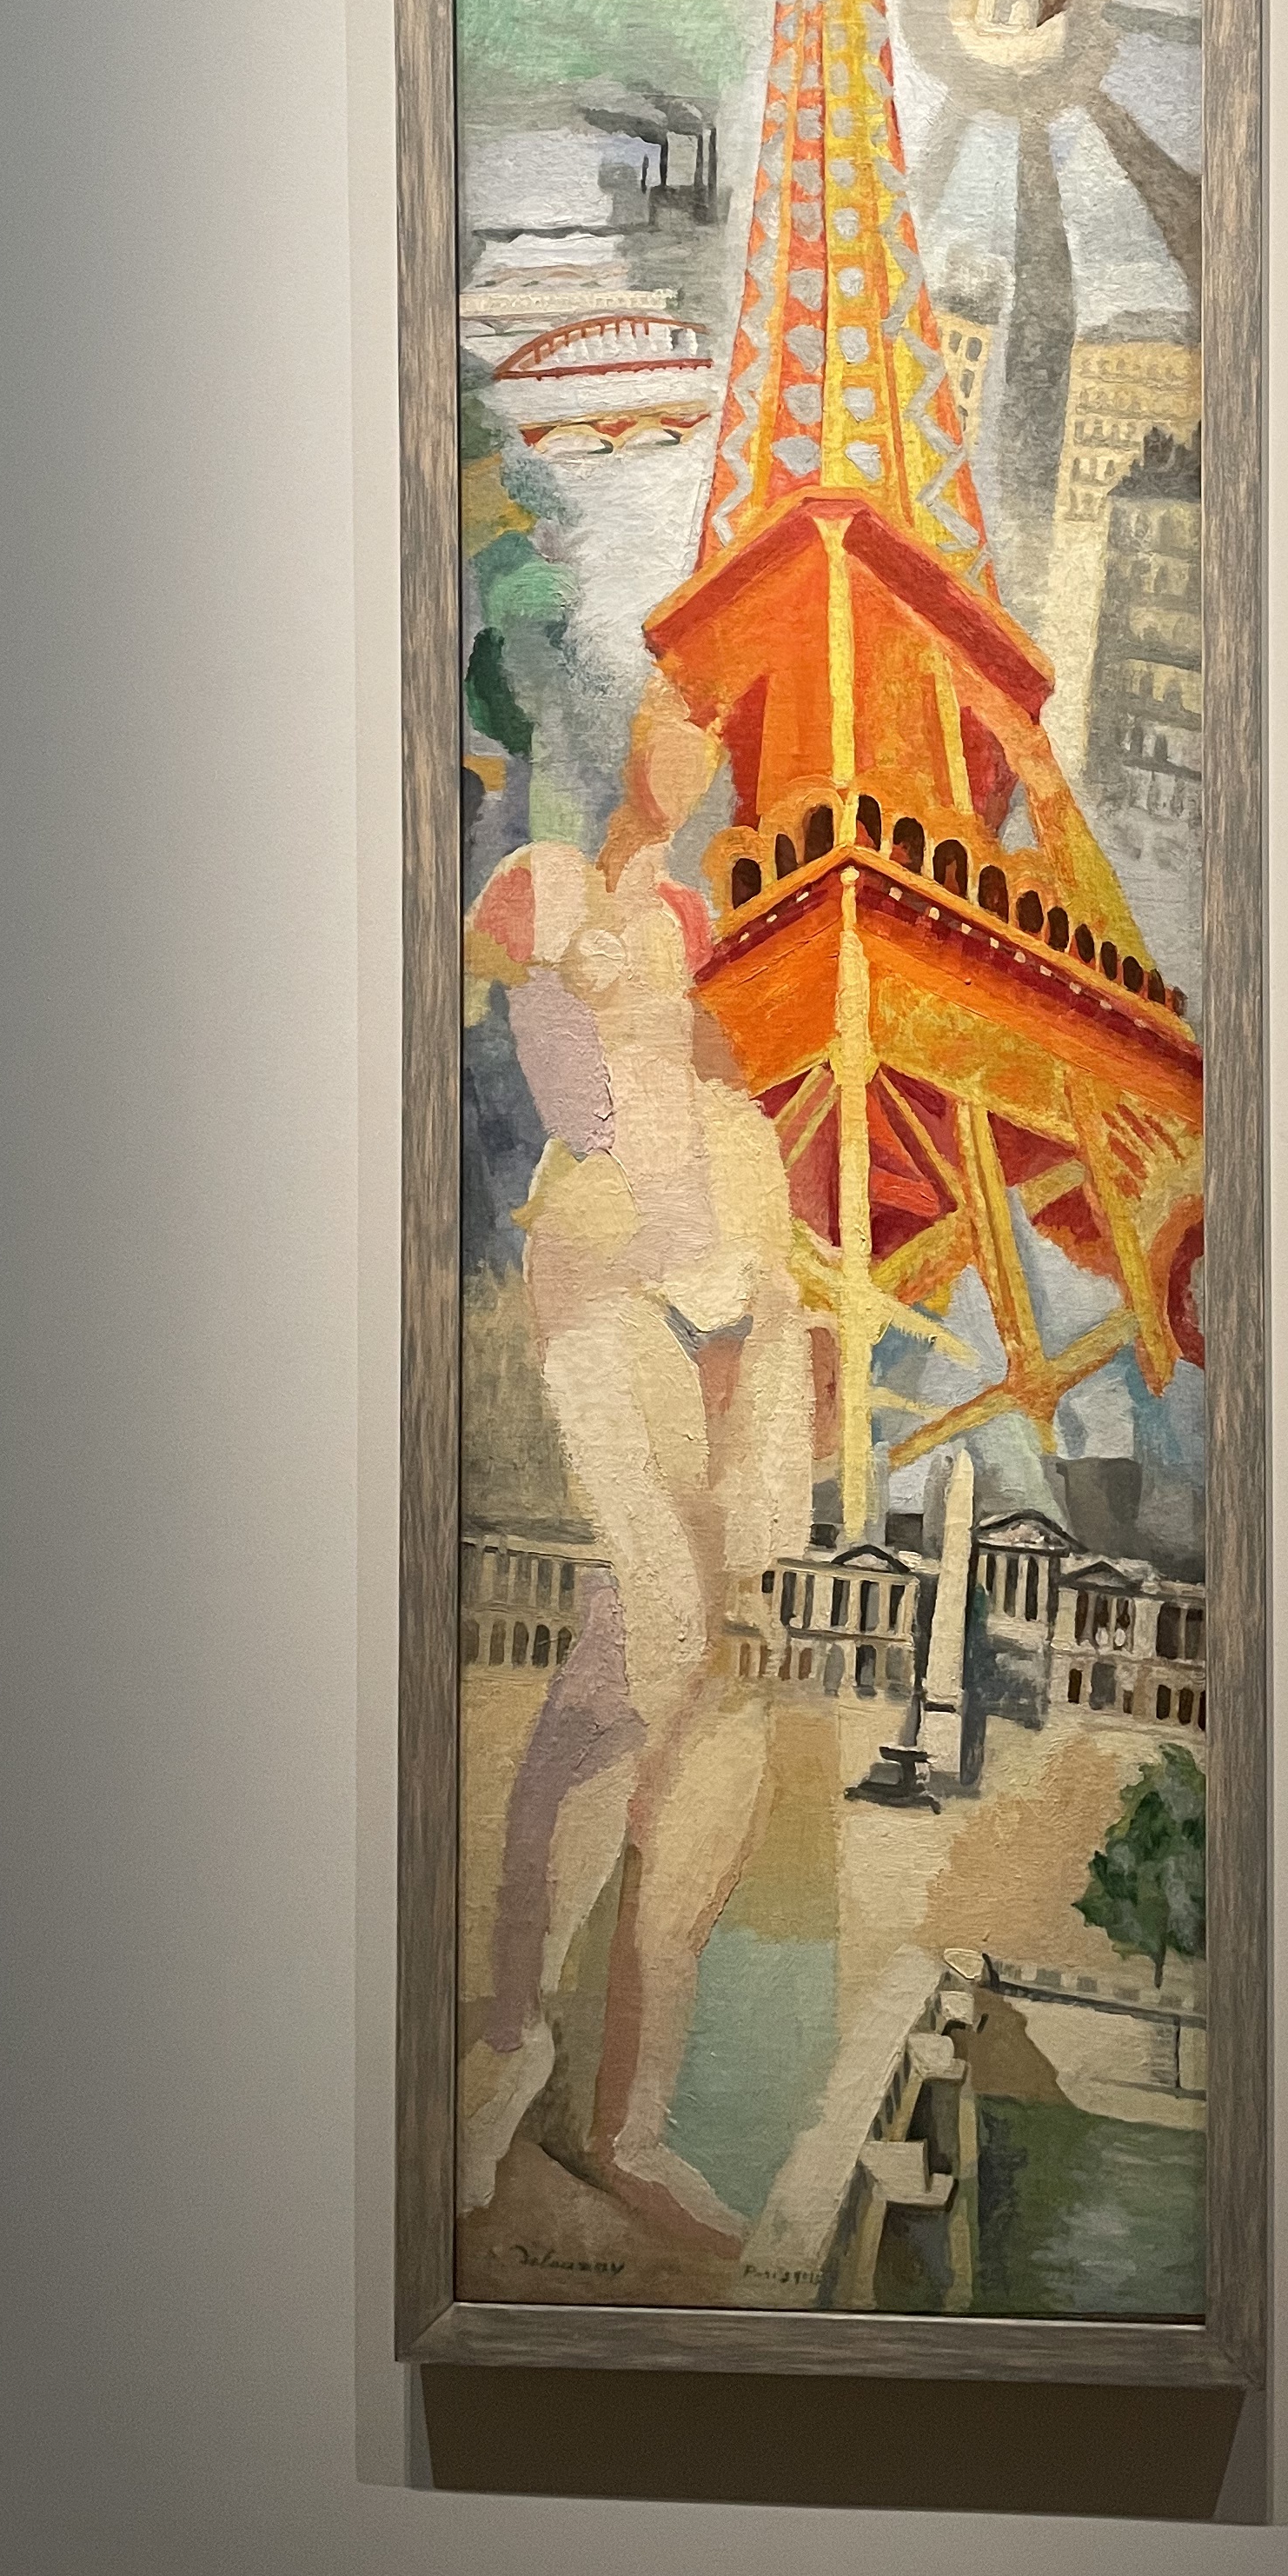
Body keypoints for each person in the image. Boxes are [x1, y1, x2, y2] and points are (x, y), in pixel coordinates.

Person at [455, 678, 813, 2253]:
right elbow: (567, 1084)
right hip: (615, 1286)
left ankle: (624, 2111)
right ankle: (510, 2048)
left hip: (731, 1297)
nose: (697, 750)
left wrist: (760, 1292)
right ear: (636, 736)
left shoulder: (694, 922)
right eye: (679, 717)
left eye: (712, 734)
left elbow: (726, 1099)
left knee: (701, 1688)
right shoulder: (558, 891)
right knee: (660, 1642)